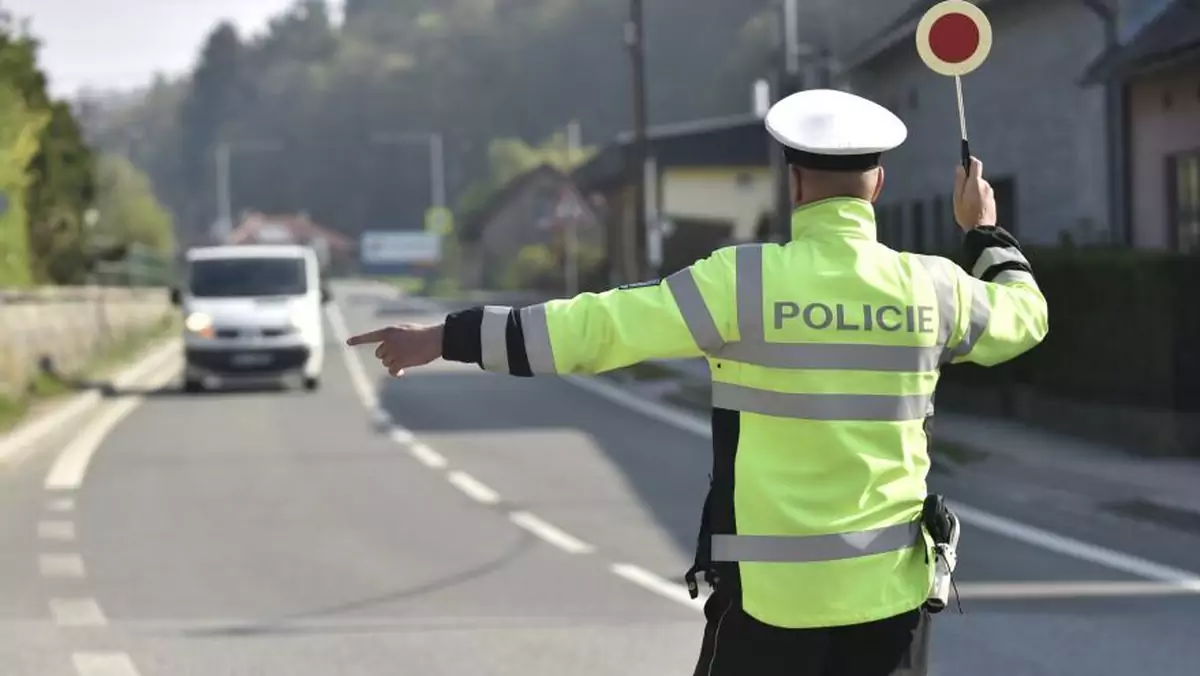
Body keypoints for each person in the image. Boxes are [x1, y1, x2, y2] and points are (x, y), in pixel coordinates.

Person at [347, 88, 1049, 676]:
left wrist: (445, 336)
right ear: (878, 184)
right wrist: (984, 232)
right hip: (888, 607)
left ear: (793, 181)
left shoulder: (738, 282)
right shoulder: (932, 289)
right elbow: (1026, 317)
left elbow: (591, 329)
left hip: (768, 608)